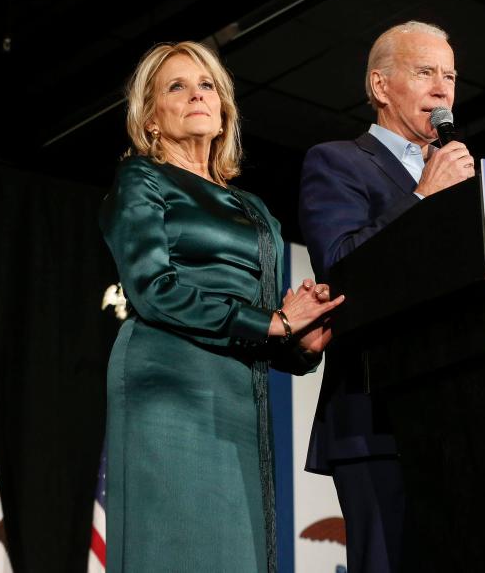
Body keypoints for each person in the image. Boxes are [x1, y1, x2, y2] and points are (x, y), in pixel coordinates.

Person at [100, 41, 344, 573]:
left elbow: (264, 323)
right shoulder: (142, 179)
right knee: (173, 548)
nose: (196, 95)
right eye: (176, 87)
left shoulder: (254, 208)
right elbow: (152, 289)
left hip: (238, 396)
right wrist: (274, 323)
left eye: (206, 84)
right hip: (168, 387)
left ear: (224, 106)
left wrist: (299, 342)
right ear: (150, 116)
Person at [298, 21, 475, 571]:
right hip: (379, 416)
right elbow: (343, 266)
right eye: (426, 72)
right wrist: (422, 198)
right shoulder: (337, 162)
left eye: (449, 75)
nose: (443, 88)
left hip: (465, 417)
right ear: (380, 86)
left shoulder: (463, 181)